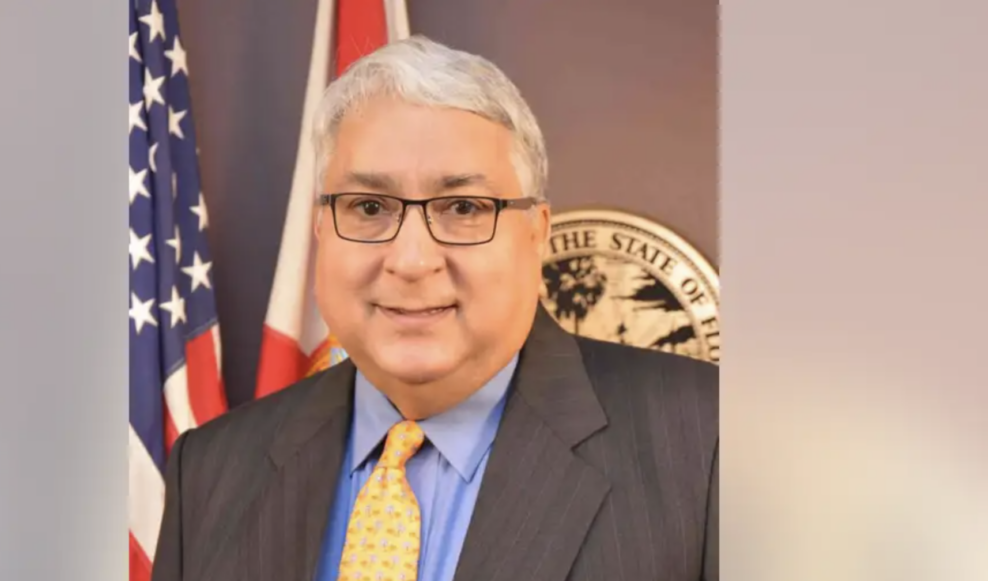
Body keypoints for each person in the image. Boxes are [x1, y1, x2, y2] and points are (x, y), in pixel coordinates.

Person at [151, 36, 718, 581]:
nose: (412, 260)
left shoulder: (709, 441)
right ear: (322, 229)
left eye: (464, 207)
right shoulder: (211, 469)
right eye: (369, 207)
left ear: (536, 233)